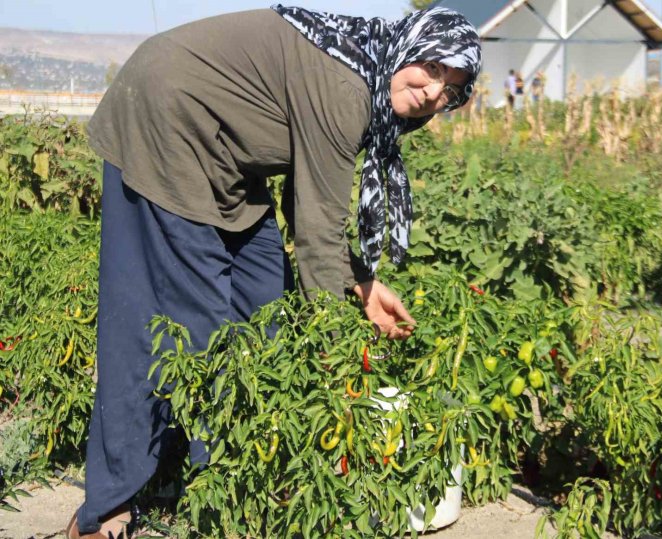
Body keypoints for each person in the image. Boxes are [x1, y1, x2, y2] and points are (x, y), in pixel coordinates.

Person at [65, 4, 481, 538]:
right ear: (408, 46)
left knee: (267, 301)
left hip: (226, 160)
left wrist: (362, 281)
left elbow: (310, 205)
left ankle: (242, 469)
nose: (431, 90)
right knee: (186, 327)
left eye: (450, 86)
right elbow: (315, 231)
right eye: (431, 66)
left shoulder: (369, 72)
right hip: (165, 120)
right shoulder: (349, 86)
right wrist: (339, 367)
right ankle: (108, 507)